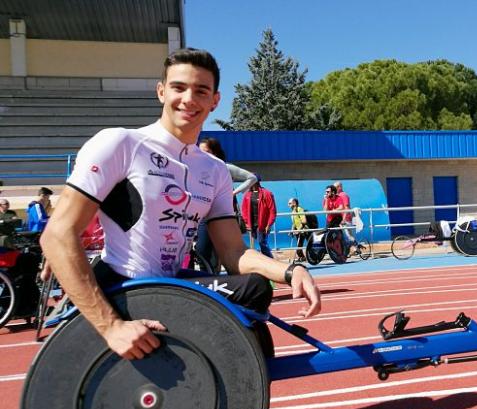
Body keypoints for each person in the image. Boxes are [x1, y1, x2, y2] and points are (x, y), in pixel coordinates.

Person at [39, 47, 321, 361]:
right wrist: (111, 327)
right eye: (178, 88)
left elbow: (233, 252)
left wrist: (291, 270)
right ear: (161, 91)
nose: (188, 99)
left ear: (215, 101)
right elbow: (56, 235)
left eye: (201, 91)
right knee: (253, 293)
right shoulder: (120, 144)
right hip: (124, 284)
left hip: (169, 283)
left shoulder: (214, 171)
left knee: (254, 292)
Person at [197, 137, 256, 268]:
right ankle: (208, 279)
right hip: (203, 216)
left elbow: (252, 177)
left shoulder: (225, 167)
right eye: (199, 151)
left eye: (206, 151)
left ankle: (218, 280)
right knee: (201, 250)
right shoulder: (197, 168)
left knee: (223, 252)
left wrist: (234, 192)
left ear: (215, 152)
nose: (202, 155)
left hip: (221, 216)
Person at [240, 177, 276, 258]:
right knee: (253, 245)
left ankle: (270, 261)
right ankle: (263, 263)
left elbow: (272, 211)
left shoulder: (267, 193)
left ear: (256, 182)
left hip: (263, 224)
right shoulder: (247, 195)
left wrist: (269, 224)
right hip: (252, 224)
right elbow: (244, 209)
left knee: (262, 242)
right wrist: (246, 222)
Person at [287, 198, 309, 262]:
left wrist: (299, 230)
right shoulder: (293, 212)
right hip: (298, 231)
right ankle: (302, 257)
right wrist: (292, 230)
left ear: (294, 203)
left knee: (300, 245)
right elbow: (294, 223)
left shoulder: (299, 209)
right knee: (299, 245)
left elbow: (304, 221)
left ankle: (307, 257)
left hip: (304, 230)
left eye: (290, 203)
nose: (288, 205)